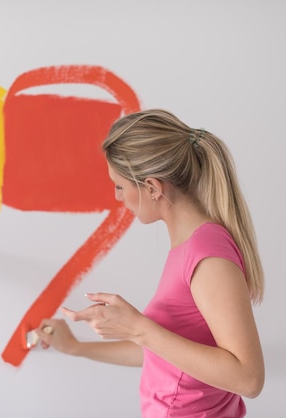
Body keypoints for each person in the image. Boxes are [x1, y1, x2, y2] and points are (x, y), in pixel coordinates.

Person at [34, 109, 265, 417]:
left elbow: (248, 379)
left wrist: (139, 328)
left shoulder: (207, 254)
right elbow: (165, 354)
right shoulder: (190, 246)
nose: (118, 197)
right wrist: (77, 347)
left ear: (153, 188)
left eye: (119, 185)